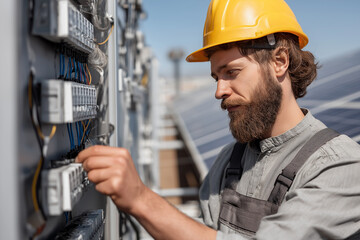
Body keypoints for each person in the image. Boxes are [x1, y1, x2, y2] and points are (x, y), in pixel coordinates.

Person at [76, 0, 360, 239]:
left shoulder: (340, 165)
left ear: (280, 61)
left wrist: (140, 199)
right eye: (216, 77)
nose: (219, 91)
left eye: (232, 72)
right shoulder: (230, 160)